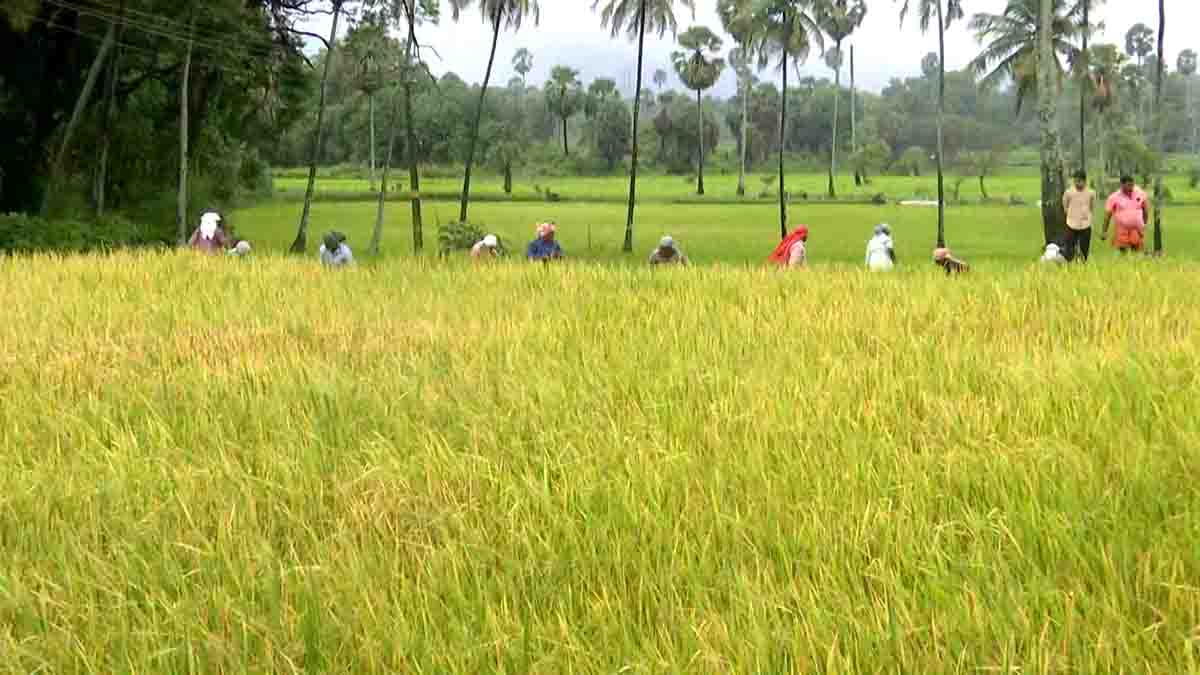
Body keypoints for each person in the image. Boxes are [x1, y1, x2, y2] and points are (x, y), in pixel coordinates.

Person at [1102, 175, 1149, 254]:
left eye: (1132, 185)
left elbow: (1145, 210)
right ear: (1122, 185)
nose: (1131, 188)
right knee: (1122, 251)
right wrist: (1104, 231)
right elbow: (1107, 215)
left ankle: (1135, 265)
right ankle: (1123, 265)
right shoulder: (1113, 197)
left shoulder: (1140, 193)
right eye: (1129, 185)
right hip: (1121, 228)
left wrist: (1144, 224)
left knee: (1136, 249)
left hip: (1136, 228)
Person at [1062, 170, 1096, 262]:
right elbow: (1065, 206)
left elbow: (1092, 207)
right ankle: (1069, 264)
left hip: (1085, 224)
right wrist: (1070, 215)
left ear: (1085, 181)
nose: (1077, 183)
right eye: (1076, 181)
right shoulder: (1069, 193)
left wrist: (1087, 217)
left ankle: (1083, 265)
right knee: (1069, 248)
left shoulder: (1091, 193)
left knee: (1084, 249)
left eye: (1080, 181)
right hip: (1071, 224)